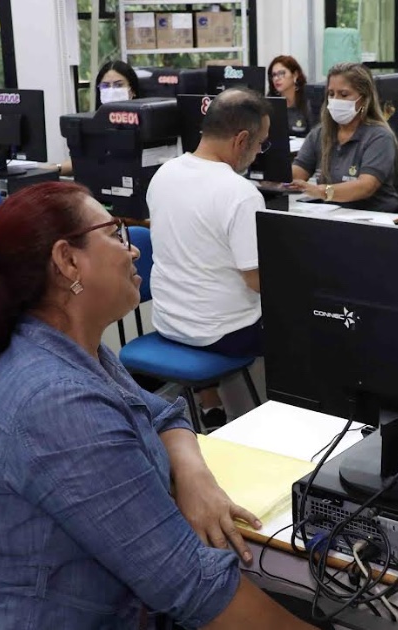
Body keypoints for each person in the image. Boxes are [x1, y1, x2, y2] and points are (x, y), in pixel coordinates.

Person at [0, 182, 316, 629]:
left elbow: (161, 413)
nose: (133, 252)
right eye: (115, 234)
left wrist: (193, 475)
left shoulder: (66, 344)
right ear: (67, 260)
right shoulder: (55, 403)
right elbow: (193, 587)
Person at [147, 88, 270, 427]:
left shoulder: (163, 175)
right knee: (307, 316)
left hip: (169, 323)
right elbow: (256, 280)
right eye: (260, 144)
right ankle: (266, 422)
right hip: (223, 335)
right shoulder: (241, 194)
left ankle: (212, 405)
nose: (259, 153)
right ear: (241, 139)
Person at [290, 62, 398, 212]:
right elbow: (297, 173)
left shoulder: (379, 137)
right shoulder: (320, 134)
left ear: (364, 99)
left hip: (373, 220)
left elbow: (365, 187)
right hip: (332, 216)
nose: (335, 100)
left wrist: (321, 191)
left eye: (344, 94)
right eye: (331, 94)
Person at [60, 60, 143, 176]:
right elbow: (84, 161)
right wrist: (54, 169)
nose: (111, 90)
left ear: (132, 90)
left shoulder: (144, 121)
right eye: (105, 86)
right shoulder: (93, 123)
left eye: (118, 85)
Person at [268, 54, 311, 136]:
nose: (277, 78)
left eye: (281, 73)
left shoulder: (308, 100)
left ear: (295, 75)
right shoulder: (270, 102)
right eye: (274, 75)